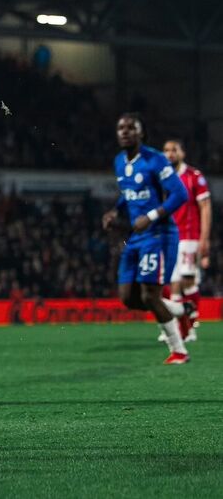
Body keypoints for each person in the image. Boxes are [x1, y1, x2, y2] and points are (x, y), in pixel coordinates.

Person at [102, 114, 192, 364]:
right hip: (136, 237)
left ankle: (179, 351)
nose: (125, 132)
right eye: (121, 128)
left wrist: (151, 216)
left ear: (141, 133)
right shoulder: (119, 162)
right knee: (127, 298)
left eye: (131, 128)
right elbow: (128, 193)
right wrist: (116, 211)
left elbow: (180, 194)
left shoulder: (155, 159)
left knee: (150, 295)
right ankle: (181, 309)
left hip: (158, 235)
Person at [162, 139, 210, 343]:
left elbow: (205, 207)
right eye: (166, 150)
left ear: (182, 153)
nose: (170, 154)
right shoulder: (163, 177)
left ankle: (189, 325)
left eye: (174, 150)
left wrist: (204, 238)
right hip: (169, 236)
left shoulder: (194, 176)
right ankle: (180, 328)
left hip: (189, 236)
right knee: (172, 283)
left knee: (185, 281)